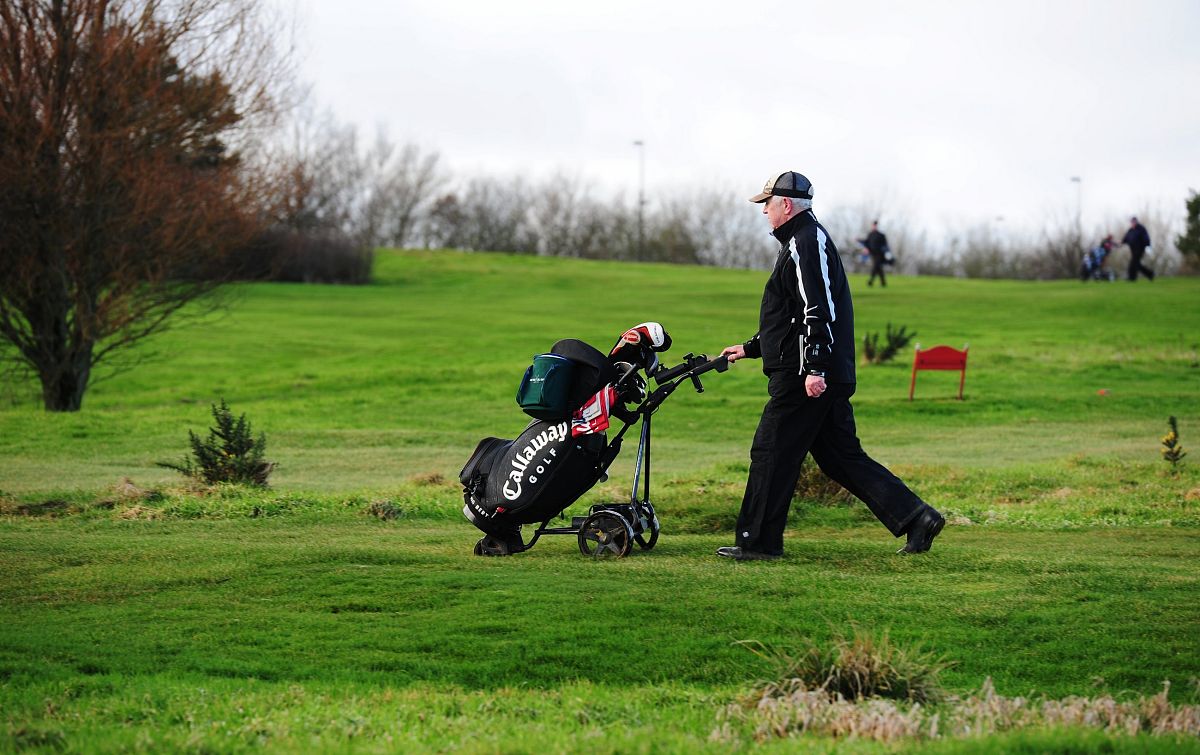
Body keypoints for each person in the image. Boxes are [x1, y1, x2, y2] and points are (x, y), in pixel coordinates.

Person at [716, 171, 944, 561]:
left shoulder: (807, 241)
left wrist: (816, 368)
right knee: (841, 457)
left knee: (771, 451)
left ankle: (758, 544)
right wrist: (752, 347)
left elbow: (818, 308)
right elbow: (791, 315)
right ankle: (917, 517)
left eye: (767, 204)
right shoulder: (800, 242)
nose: (764, 212)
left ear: (785, 205)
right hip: (811, 370)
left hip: (805, 376)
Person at [1120, 216, 1155, 281]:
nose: (1133, 223)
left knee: (1133, 263)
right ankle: (1150, 274)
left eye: (1134, 222)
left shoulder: (1141, 229)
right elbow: (1126, 238)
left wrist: (1148, 246)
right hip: (1133, 250)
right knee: (1137, 264)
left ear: (1136, 222)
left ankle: (1132, 278)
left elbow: (1146, 238)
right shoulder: (1130, 230)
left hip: (1140, 249)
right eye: (1132, 222)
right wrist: (1121, 242)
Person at [862, 220, 890, 287]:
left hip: (880, 254)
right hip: (873, 254)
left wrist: (886, 253)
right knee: (878, 268)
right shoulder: (870, 234)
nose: (874, 226)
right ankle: (883, 283)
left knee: (875, 266)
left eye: (875, 225)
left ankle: (870, 281)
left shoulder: (881, 235)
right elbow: (867, 243)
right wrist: (866, 249)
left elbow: (885, 245)